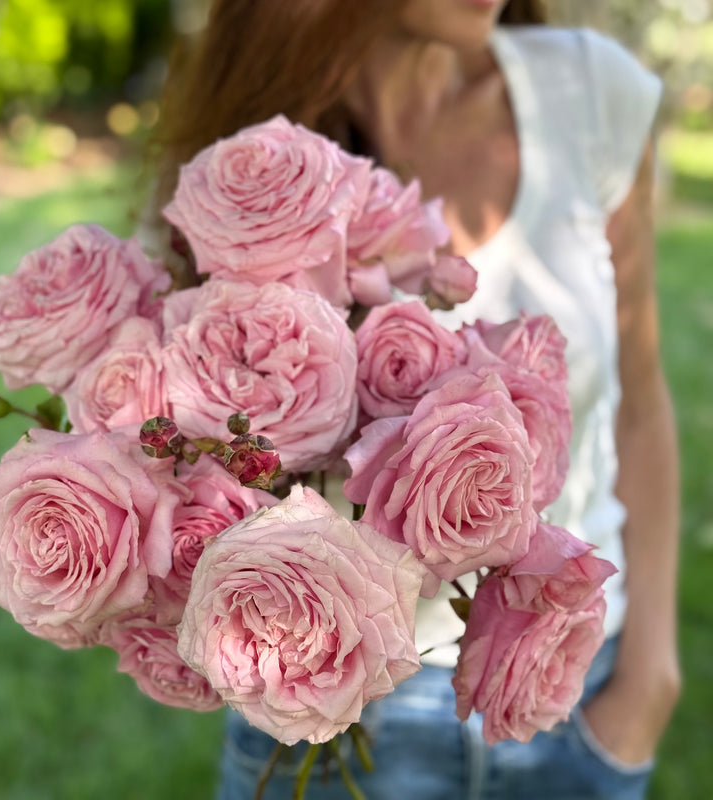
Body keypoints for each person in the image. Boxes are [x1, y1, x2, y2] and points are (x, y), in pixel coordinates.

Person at [146, 1, 681, 797]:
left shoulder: (590, 93)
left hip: (569, 695)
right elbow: (186, 441)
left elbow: (639, 404)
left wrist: (649, 680)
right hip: (329, 720)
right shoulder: (252, 165)